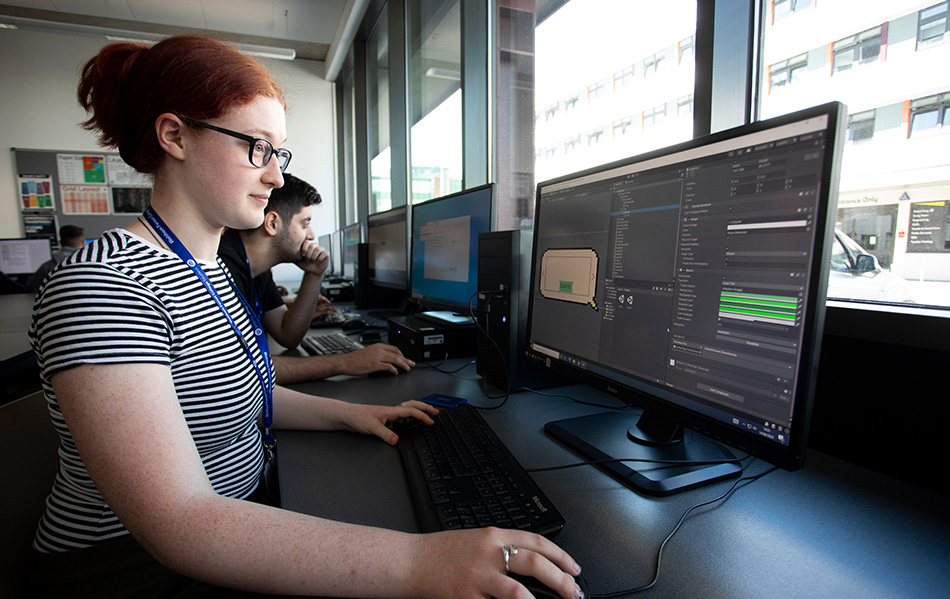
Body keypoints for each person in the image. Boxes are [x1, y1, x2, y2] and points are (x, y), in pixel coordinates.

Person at [29, 35, 583, 598]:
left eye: (279, 153)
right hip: (133, 568)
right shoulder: (102, 284)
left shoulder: (201, 266)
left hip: (231, 517)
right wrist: (422, 564)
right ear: (174, 136)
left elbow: (243, 395)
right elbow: (178, 522)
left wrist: (353, 417)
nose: (274, 177)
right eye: (257, 147)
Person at [218, 173, 414, 383]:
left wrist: (315, 273)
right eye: (304, 224)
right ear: (273, 223)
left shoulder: (258, 270)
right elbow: (246, 369)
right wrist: (345, 362)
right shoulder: (223, 269)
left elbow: (289, 335)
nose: (311, 235)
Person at [25, 225, 86, 292]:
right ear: (83, 242)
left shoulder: (47, 267)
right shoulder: (91, 263)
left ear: (60, 242)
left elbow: (31, 288)